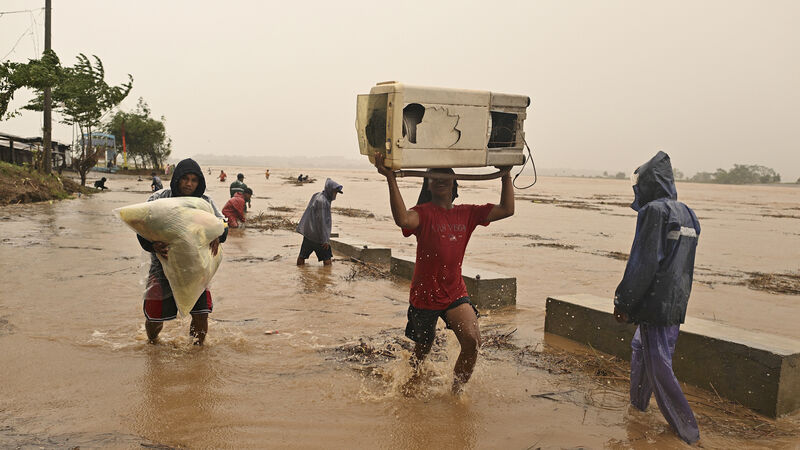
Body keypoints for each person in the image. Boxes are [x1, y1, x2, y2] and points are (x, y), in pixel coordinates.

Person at [374, 152, 514, 395]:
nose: (440, 179)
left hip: (454, 292)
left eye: (445, 175)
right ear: (427, 185)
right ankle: (409, 385)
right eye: (434, 176)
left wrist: (505, 174)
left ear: (454, 183)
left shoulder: (468, 213)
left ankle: (455, 394)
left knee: (472, 341)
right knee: (422, 351)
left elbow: (507, 209)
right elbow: (403, 220)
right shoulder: (422, 213)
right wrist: (390, 179)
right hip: (424, 296)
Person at [613, 151, 701, 444]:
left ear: (650, 183)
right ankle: (637, 408)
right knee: (641, 349)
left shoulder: (654, 212)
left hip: (654, 303)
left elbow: (643, 262)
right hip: (676, 301)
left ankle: (687, 432)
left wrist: (623, 302)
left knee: (658, 364)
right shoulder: (688, 213)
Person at [135, 158, 228, 346]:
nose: (189, 184)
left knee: (201, 314)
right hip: (162, 267)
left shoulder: (205, 202)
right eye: (185, 178)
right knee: (155, 317)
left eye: (194, 180)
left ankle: (197, 353)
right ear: (176, 178)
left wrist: (218, 233)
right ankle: (152, 345)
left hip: (196, 269)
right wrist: (152, 245)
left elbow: (223, 224)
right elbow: (141, 227)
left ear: (199, 182)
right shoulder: (159, 199)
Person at [295, 178, 343, 266]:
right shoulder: (323, 202)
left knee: (302, 256)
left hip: (309, 233)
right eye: (335, 192)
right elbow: (322, 222)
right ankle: (326, 275)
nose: (335, 195)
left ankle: (300, 272)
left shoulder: (317, 195)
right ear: (330, 190)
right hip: (318, 237)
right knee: (327, 260)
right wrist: (325, 240)